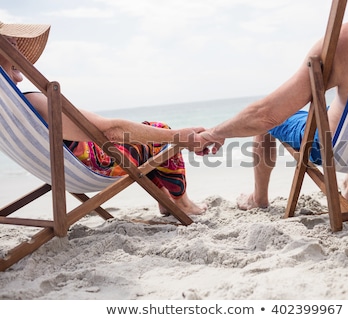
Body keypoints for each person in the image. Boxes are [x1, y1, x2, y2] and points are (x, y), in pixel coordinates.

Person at [0, 21, 206, 215]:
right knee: (157, 130)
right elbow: (108, 131)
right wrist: (179, 136)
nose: (20, 56)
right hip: (99, 165)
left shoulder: (10, 108)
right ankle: (183, 203)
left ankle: (164, 198)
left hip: (62, 173)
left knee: (145, 139)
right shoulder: (34, 102)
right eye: (11, 45)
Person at [195, 21, 348, 210]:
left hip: (337, 151)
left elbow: (265, 116)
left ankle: (258, 198)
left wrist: (213, 133)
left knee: (268, 123)